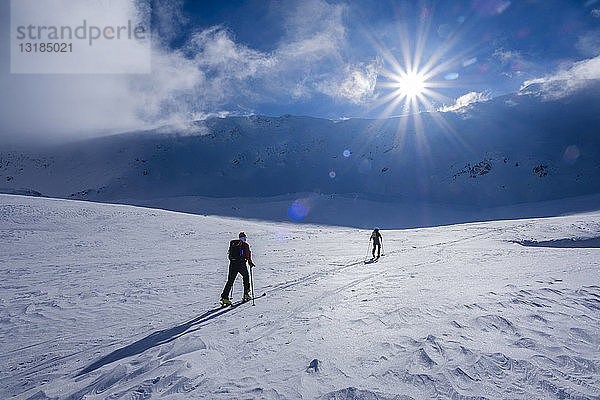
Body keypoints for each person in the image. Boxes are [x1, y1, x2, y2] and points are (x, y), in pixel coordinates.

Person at [220, 232, 255, 306]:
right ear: (244, 237)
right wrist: (250, 262)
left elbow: (229, 255)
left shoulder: (233, 244)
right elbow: (248, 254)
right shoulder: (245, 245)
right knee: (246, 276)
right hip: (241, 263)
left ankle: (224, 297)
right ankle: (246, 294)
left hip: (232, 264)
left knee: (230, 280)